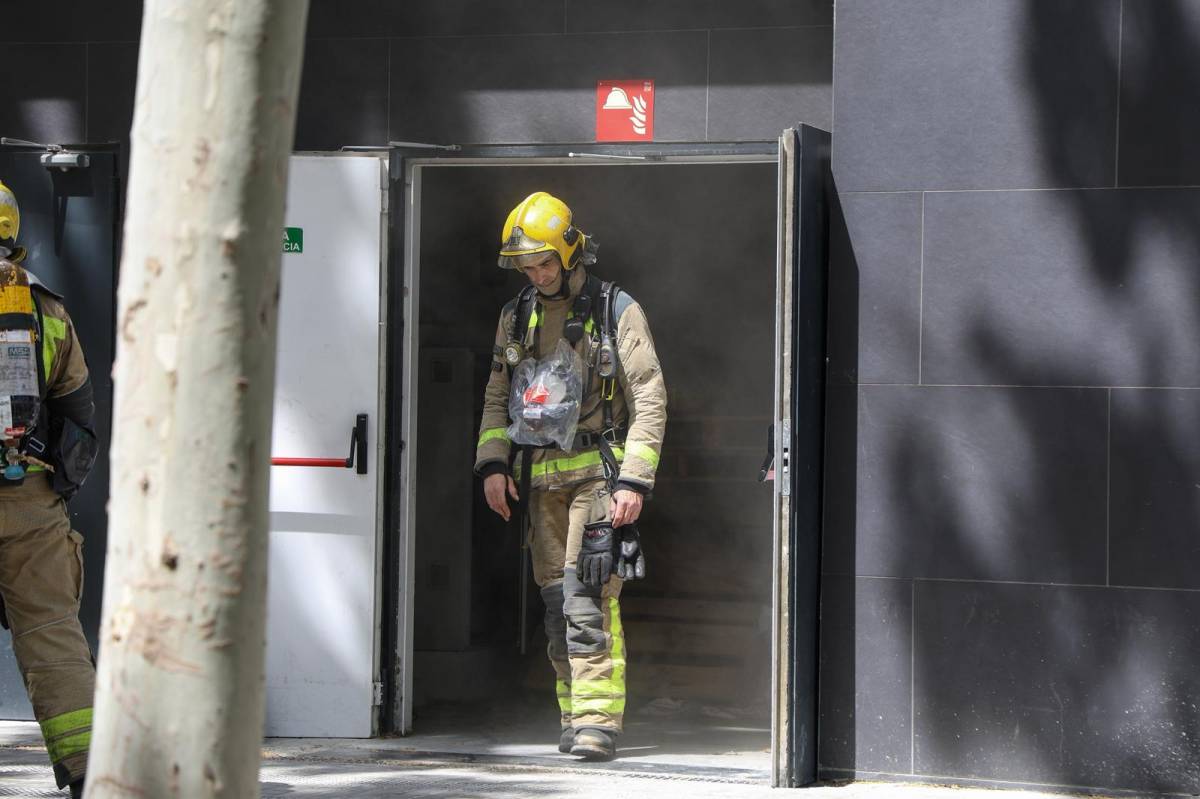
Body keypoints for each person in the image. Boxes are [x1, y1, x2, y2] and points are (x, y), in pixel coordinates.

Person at [475, 192, 666, 761]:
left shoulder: (616, 310)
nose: (537, 274)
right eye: (527, 266)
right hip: (538, 483)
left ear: (570, 251)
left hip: (597, 480)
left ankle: (596, 723)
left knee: (587, 601)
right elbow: (496, 395)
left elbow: (649, 396)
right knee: (557, 606)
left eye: (545, 262)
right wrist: (492, 464)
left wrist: (634, 480)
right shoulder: (516, 316)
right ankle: (571, 714)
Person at [0, 180, 99, 798]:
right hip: (29, 496)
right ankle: (90, 773)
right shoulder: (46, 309)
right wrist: (50, 488)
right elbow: (79, 412)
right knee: (54, 639)